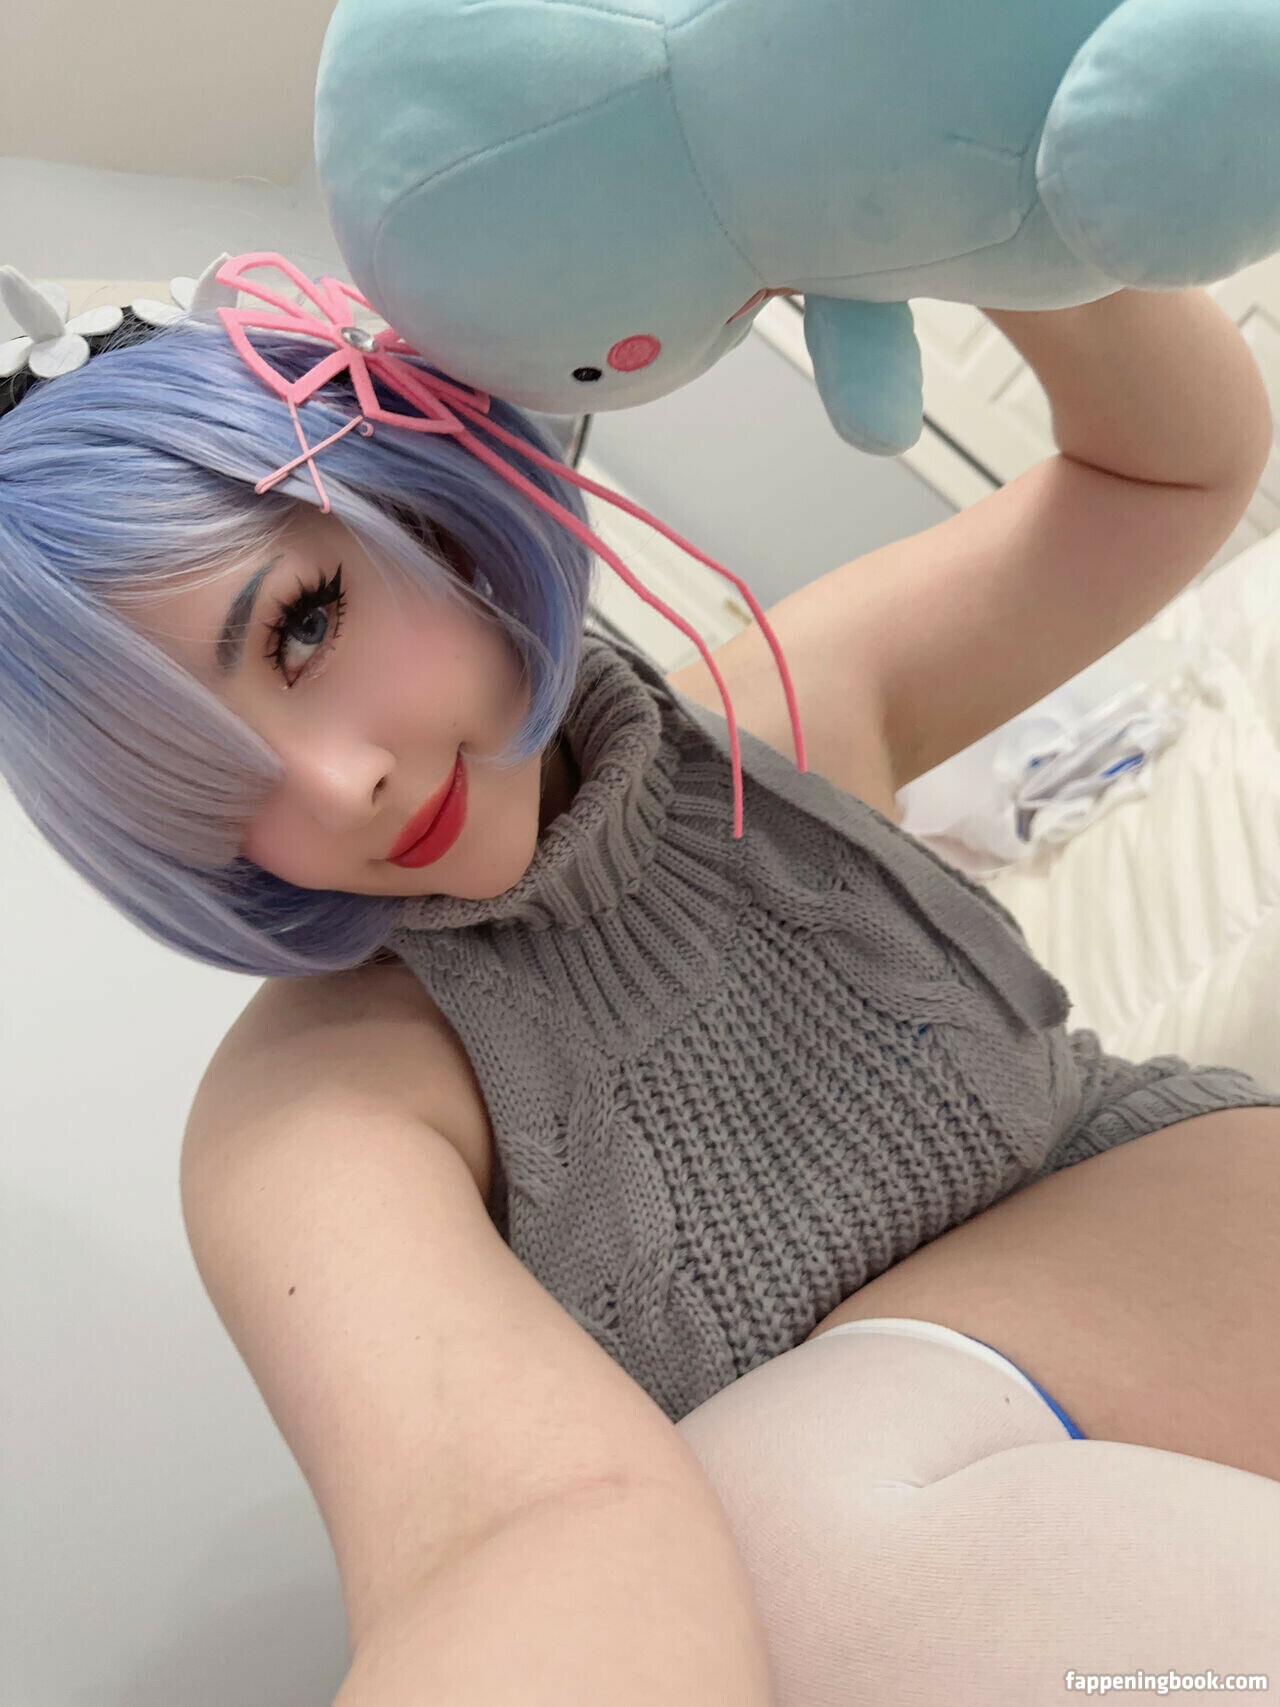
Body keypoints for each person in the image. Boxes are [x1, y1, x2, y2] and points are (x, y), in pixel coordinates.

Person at [2, 253, 1278, 1705]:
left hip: (1195, 1249)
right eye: (203, 779)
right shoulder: (318, 1112)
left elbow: (1169, 469)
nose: (338, 785)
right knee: (766, 1534)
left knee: (778, 1525)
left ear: (423, 496)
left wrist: (957, 218)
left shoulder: (780, 719)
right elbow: (500, 1541)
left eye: (303, 624)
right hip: (955, 1568)